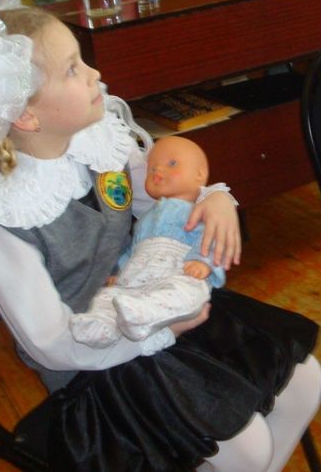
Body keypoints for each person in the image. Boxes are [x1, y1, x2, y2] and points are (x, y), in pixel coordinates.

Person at [0, 0, 321, 471]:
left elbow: (163, 194)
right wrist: (153, 334)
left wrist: (214, 198)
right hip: (95, 363)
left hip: (155, 298)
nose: (94, 74)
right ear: (26, 116)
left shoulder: (96, 140)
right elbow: (50, 343)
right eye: (73, 69)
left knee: (305, 381)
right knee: (245, 445)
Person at [70, 135, 226, 347]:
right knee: (109, 295)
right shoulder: (146, 218)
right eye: (152, 168)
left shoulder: (201, 210)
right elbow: (134, 249)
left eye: (172, 163)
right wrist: (119, 272)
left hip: (179, 269)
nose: (158, 170)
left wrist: (203, 262)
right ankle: (101, 325)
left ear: (199, 174)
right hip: (138, 273)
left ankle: (145, 314)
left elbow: (213, 237)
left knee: (188, 294)